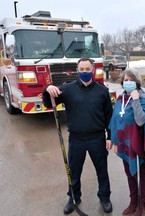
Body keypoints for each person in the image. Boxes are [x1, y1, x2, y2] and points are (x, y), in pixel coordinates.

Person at [42, 58, 113, 214]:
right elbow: (48, 103)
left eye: (88, 69)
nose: (84, 72)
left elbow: (109, 116)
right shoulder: (67, 89)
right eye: (81, 69)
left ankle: (105, 197)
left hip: (97, 138)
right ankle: (73, 198)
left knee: (102, 170)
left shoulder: (102, 91)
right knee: (74, 172)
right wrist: (48, 89)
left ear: (93, 70)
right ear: (77, 70)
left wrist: (110, 136)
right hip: (76, 139)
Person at [108, 69, 145, 216]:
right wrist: (114, 141)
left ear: (136, 82)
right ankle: (133, 201)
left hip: (139, 142)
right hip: (124, 142)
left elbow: (141, 121)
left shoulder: (143, 97)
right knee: (129, 173)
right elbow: (115, 120)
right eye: (125, 80)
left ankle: (142, 203)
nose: (127, 82)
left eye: (130, 80)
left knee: (140, 172)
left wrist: (136, 100)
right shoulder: (120, 98)